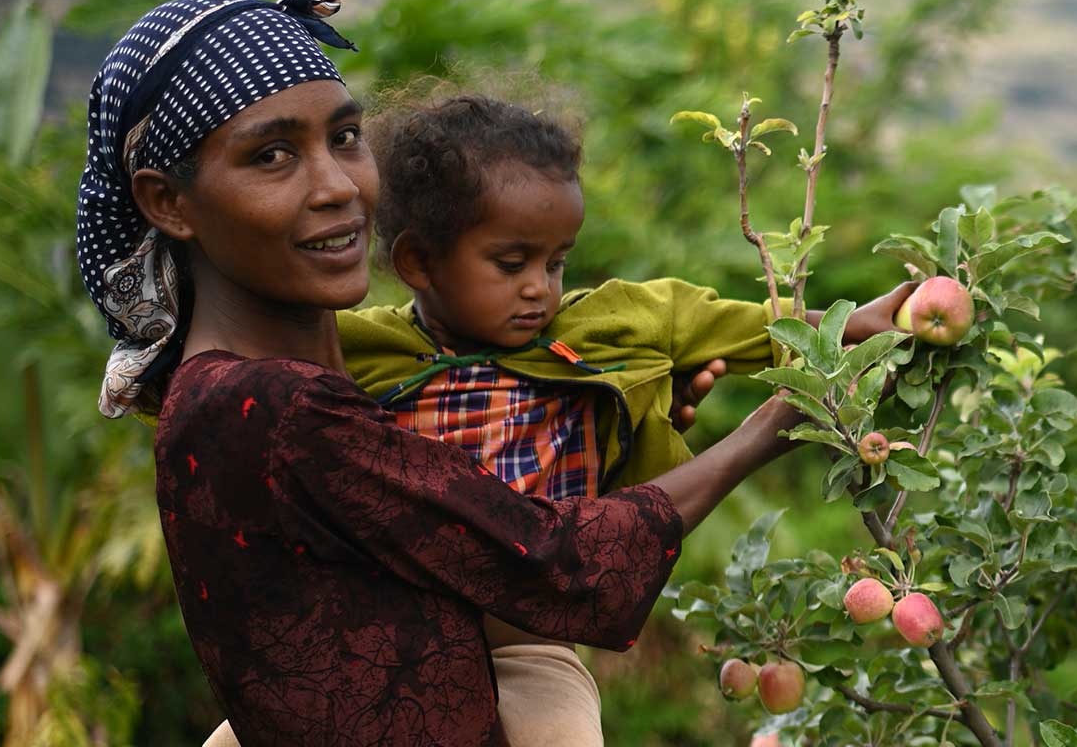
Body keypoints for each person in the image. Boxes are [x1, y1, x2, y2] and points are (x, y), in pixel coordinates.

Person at [78, 0, 816, 746]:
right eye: (271, 156)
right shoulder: (273, 407)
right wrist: (775, 423)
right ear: (169, 203)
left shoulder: (285, 391)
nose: (337, 187)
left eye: (345, 137)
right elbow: (556, 562)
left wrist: (600, 425)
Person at [323, 92, 914, 745]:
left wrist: (850, 324)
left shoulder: (602, 325)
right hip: (380, 636)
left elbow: (726, 323)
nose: (538, 288)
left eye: (556, 263)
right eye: (511, 264)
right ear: (418, 263)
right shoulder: (358, 349)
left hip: (527, 645)